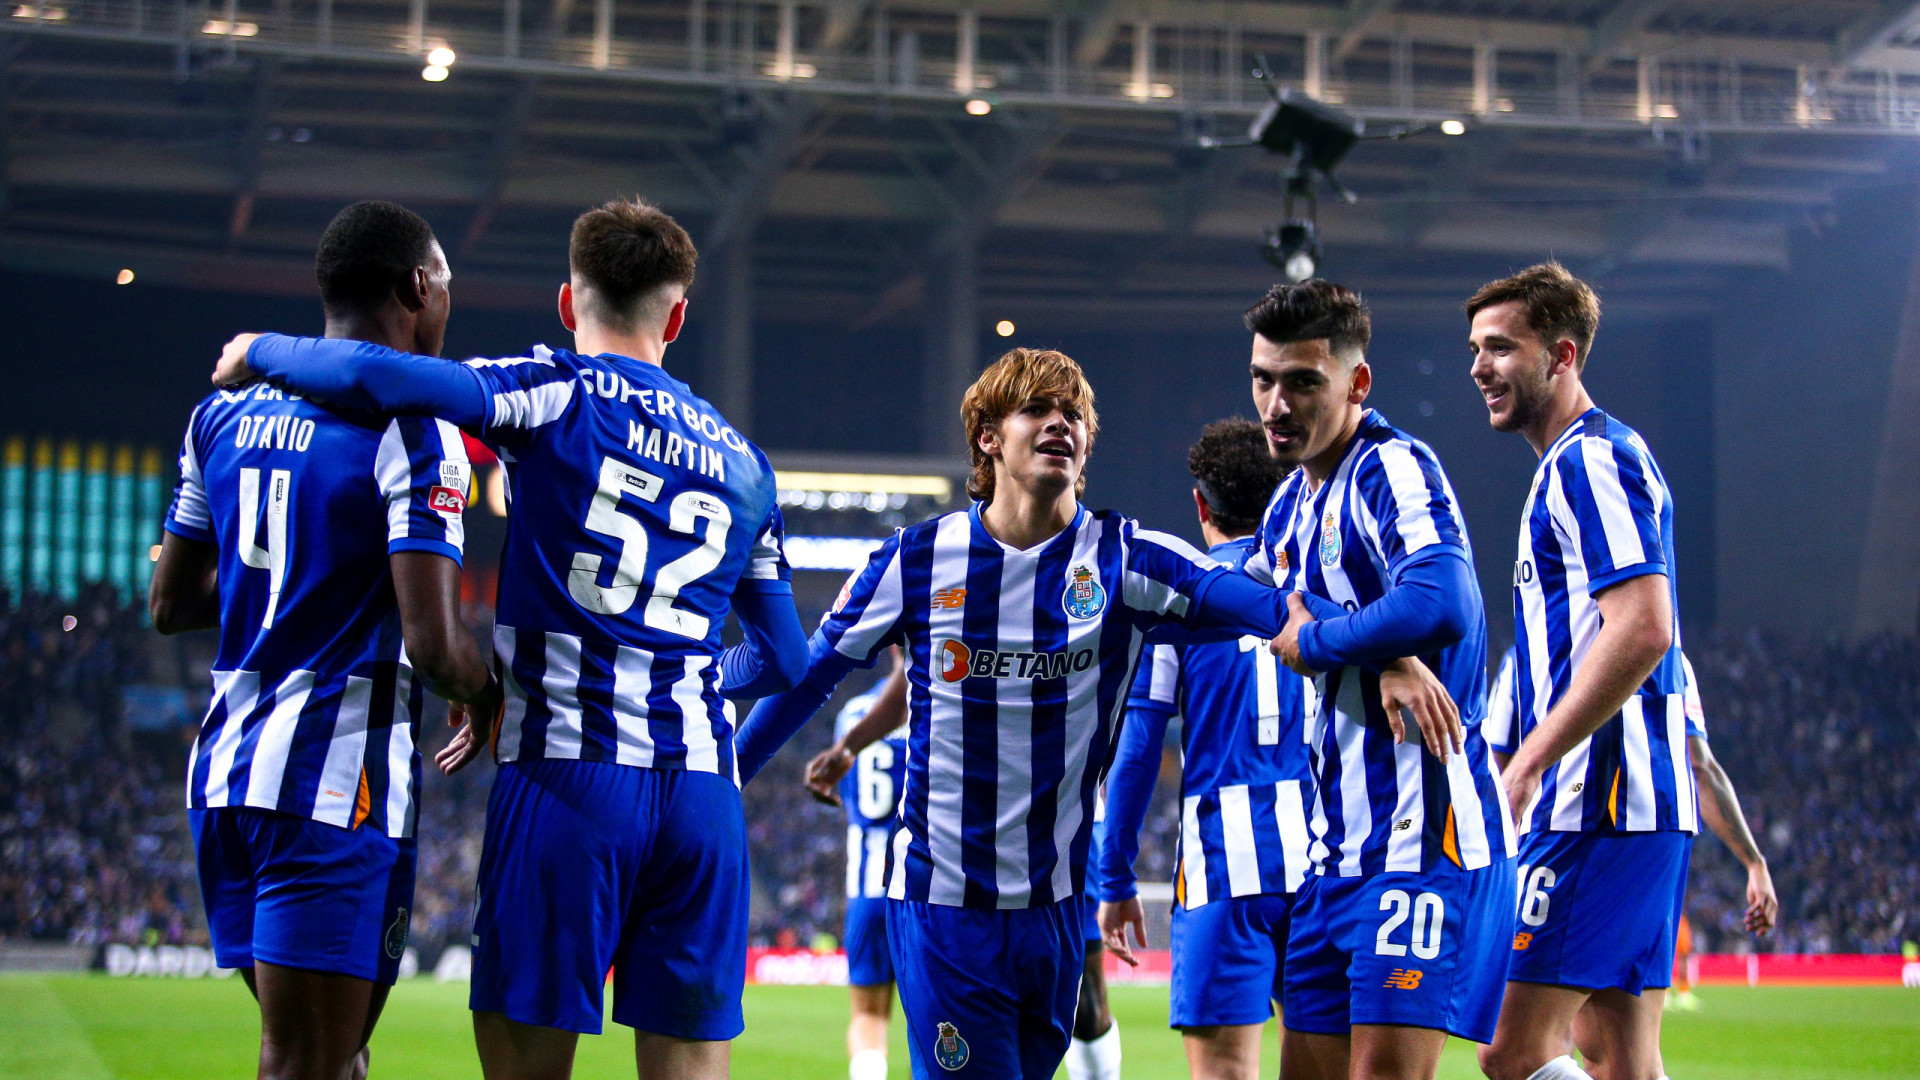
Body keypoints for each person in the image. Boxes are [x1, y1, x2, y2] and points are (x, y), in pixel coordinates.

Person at [733, 347, 1456, 1080]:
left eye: (1073, 413)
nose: (1061, 424)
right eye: (1037, 410)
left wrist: (1384, 653)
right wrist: (728, 779)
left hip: (1055, 915)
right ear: (989, 437)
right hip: (948, 910)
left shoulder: (1125, 560)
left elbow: (1276, 610)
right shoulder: (914, 563)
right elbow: (805, 678)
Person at [211, 197, 808, 1080]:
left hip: (569, 781)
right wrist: (683, 680)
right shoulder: (746, 462)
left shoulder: (553, 386)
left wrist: (260, 350)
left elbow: (385, 379)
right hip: (702, 798)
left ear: (569, 304)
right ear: (678, 315)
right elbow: (785, 659)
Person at [152, 200, 499, 1080]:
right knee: (304, 1062)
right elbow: (431, 645)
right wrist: (487, 688)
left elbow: (171, 603)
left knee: (334, 1057)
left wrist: (296, 574)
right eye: (448, 284)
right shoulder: (415, 432)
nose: (451, 302)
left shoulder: (217, 418)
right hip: (331, 787)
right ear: (419, 287)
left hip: (228, 774)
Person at [1243, 280, 1519, 1080]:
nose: (1277, 404)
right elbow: (1262, 602)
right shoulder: (1290, 503)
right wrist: (1382, 655)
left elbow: (1444, 600)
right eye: (1263, 379)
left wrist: (1328, 642)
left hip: (1422, 841)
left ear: (1356, 384)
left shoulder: (1389, 469)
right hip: (1336, 854)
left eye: (1303, 382)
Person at [1467, 262, 1693, 1080]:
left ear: (1562, 357)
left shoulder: (1588, 460)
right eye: (1475, 349)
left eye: (1501, 348)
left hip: (1597, 801)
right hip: (1633, 804)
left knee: (1511, 1051)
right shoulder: (1571, 465)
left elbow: (1644, 628)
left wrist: (1528, 762)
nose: (1479, 367)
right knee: (1620, 1059)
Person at [1097, 418, 1303, 1080]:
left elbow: (1135, 753)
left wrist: (1116, 877)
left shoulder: (1175, 602)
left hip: (1226, 865)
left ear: (1200, 506)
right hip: (1331, 860)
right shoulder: (1326, 591)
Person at [806, 649, 910, 1080]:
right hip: (925, 886)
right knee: (942, 1014)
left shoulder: (851, 715)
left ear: (891, 648)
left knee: (868, 1016)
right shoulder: (936, 706)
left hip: (867, 885)